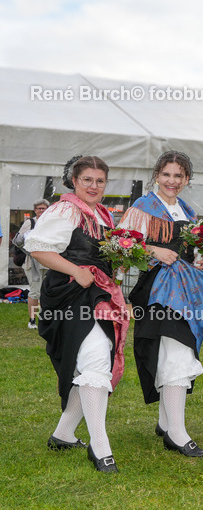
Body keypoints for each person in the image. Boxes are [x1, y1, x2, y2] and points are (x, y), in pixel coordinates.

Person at [25, 156, 130, 472]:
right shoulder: (65, 210)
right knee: (96, 357)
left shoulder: (104, 215)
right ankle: (100, 446)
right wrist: (76, 271)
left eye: (100, 181)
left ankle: (63, 434)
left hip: (99, 294)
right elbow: (37, 247)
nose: (93, 186)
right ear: (74, 180)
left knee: (90, 362)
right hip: (70, 294)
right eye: (87, 179)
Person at [120, 151, 203, 457]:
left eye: (178, 176)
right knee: (177, 351)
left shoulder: (186, 210)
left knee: (176, 350)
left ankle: (166, 422)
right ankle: (176, 433)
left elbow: (192, 250)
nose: (172, 181)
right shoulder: (143, 206)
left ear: (187, 179)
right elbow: (120, 244)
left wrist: (200, 256)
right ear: (156, 176)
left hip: (186, 291)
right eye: (166, 174)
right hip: (157, 291)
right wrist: (154, 250)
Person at [15, 199, 51, 329]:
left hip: (49, 262)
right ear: (35, 210)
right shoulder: (30, 222)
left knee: (48, 292)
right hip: (33, 262)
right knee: (35, 292)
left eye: (44, 208)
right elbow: (18, 241)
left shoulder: (51, 223)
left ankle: (45, 319)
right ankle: (32, 320)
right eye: (39, 208)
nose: (41, 210)